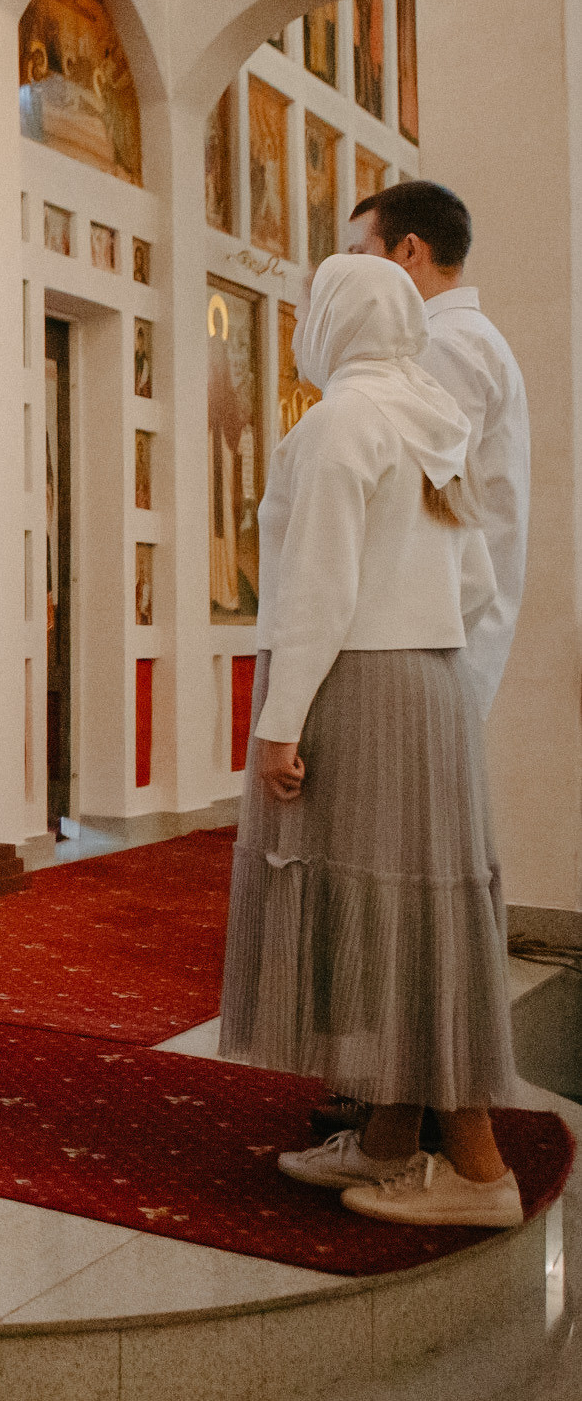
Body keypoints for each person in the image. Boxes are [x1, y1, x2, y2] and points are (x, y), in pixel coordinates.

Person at [220, 253, 523, 1229]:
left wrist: (278, 723)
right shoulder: (432, 417)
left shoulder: (339, 420)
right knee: (417, 912)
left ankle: (477, 1169)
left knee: (382, 912)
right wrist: (426, 643)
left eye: (312, 307)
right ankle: (393, 1138)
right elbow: (475, 581)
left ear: (338, 319)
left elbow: (316, 585)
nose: (304, 321)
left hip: (356, 682)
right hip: (426, 683)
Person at [346, 181, 529, 714]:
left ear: (409, 251)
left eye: (360, 253)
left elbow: (420, 503)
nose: (350, 271)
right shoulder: (467, 336)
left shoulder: (443, 344)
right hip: (444, 630)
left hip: (435, 636)